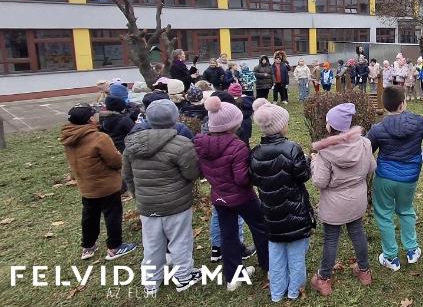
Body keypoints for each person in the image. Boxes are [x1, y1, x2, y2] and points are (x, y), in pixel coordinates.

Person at [122, 99, 201, 294]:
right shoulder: (182, 144)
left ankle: (151, 281)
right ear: (175, 118)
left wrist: (136, 194)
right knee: (180, 240)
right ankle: (183, 276)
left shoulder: (132, 144)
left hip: (147, 204)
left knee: (151, 243)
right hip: (176, 204)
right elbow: (191, 173)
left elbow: (127, 175)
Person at [195, 97, 270, 290]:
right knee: (260, 226)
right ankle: (268, 265)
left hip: (219, 196)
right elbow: (241, 179)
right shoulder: (237, 146)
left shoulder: (201, 144)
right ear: (233, 124)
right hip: (243, 197)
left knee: (228, 235)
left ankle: (233, 276)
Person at [248, 99, 315, 302]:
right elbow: (302, 175)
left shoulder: (255, 153)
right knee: (295, 252)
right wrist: (308, 160)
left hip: (270, 211)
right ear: (280, 126)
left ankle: (277, 292)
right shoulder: (292, 149)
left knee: (275, 252)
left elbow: (254, 178)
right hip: (294, 210)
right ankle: (295, 290)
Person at [366, 85, 423, 271]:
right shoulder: (419, 122)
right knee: (406, 210)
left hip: (385, 177)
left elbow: (365, 152)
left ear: (385, 104)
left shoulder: (377, 128)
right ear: (403, 103)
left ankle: (390, 256)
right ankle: (412, 250)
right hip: (409, 178)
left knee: (383, 214)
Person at [309, 103, 376, 295]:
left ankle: (323, 279)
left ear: (331, 126)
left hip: (334, 204)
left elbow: (320, 182)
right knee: (357, 232)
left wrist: (314, 163)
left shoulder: (325, 152)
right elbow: (371, 167)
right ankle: (364, 272)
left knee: (331, 239)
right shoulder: (364, 143)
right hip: (357, 199)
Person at [60, 104, 137, 261]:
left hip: (86, 184)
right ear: (89, 119)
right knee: (112, 214)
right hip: (106, 184)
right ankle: (115, 246)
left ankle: (88, 246)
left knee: (89, 215)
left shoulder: (68, 138)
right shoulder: (99, 138)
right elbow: (115, 161)